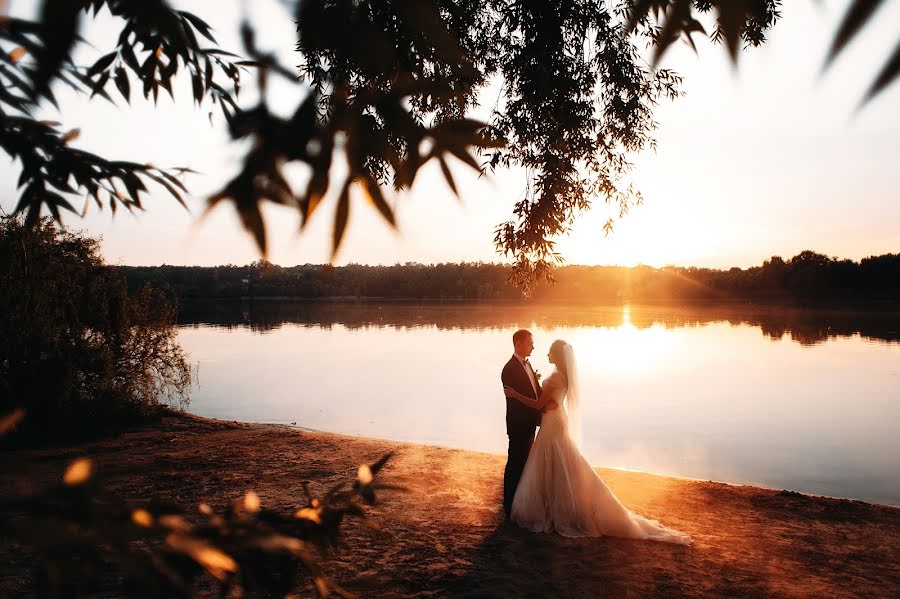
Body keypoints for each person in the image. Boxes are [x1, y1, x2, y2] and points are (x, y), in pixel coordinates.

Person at [504, 339, 691, 544]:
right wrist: (546, 399)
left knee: (556, 460)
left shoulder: (557, 377)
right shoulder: (562, 376)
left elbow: (537, 403)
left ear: (556, 356)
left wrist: (515, 395)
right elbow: (547, 400)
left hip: (552, 423)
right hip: (556, 420)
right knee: (561, 460)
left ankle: (556, 507)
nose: (546, 354)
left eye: (549, 352)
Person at [500, 329, 542, 517]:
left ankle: (519, 502)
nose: (533, 346)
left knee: (524, 464)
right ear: (518, 344)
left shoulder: (528, 364)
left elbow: (535, 391)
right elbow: (517, 402)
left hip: (530, 423)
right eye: (529, 342)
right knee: (515, 464)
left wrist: (547, 404)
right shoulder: (509, 369)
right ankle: (509, 506)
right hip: (519, 424)